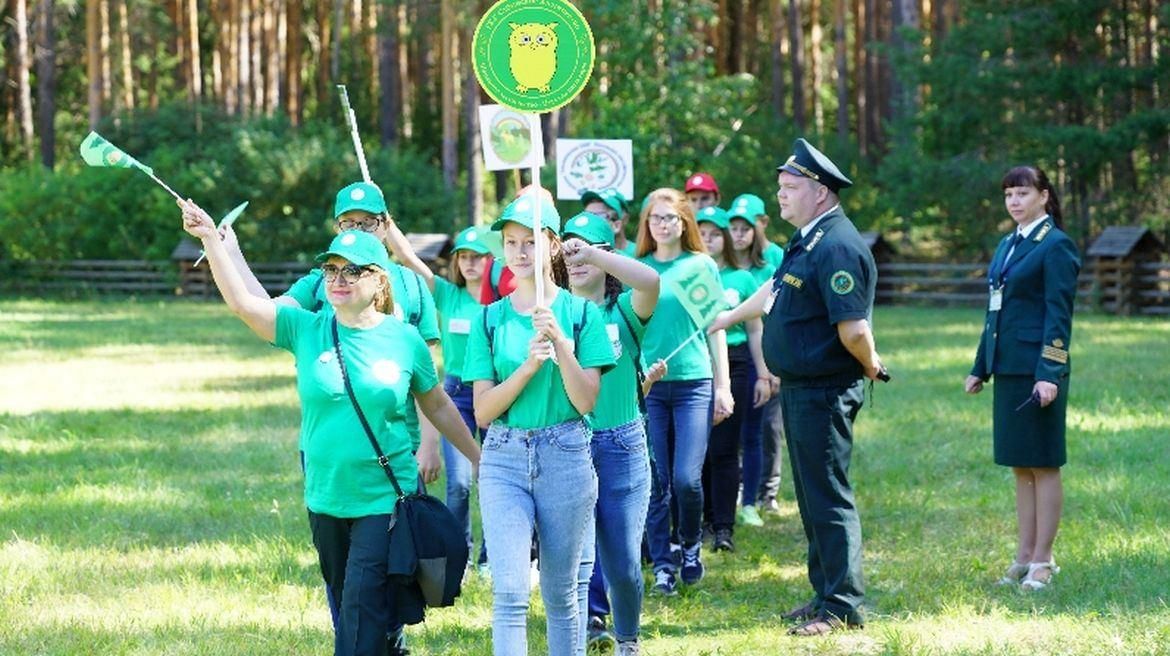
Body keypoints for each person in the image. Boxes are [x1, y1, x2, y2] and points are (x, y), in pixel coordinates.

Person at [179, 202, 482, 656]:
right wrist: (211, 242)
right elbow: (245, 305)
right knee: (351, 607)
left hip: (385, 498)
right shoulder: (306, 328)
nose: (337, 280)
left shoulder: (404, 340)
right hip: (325, 497)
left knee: (359, 617)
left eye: (351, 272)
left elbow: (437, 405)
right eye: (331, 270)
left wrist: (483, 461)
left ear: (379, 280)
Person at [710, 138, 884, 635]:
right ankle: (824, 592)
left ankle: (842, 606)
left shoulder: (837, 245)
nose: (780, 196)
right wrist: (727, 318)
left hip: (825, 390)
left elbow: (853, 328)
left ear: (822, 193)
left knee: (828, 495)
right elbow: (772, 292)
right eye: (782, 186)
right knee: (810, 495)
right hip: (803, 389)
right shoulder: (808, 238)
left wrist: (872, 364)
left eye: (790, 188)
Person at [462, 195, 617, 656]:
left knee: (562, 594)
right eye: (511, 243)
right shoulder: (488, 319)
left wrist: (562, 345)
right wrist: (529, 366)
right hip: (504, 457)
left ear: (551, 246)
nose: (520, 253)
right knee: (510, 591)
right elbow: (484, 412)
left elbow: (587, 400)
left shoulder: (583, 313)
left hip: (566, 454)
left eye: (530, 242)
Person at [965, 165, 1079, 591]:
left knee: (1044, 465)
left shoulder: (1056, 247)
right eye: (1009, 194)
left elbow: (1058, 316)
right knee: (1020, 467)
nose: (1014, 201)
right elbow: (994, 310)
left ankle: (1044, 561)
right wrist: (981, 365)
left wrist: (1049, 372)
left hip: (1038, 372)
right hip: (1009, 367)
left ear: (1044, 196)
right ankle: (1024, 555)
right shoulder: (1008, 244)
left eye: (1022, 193)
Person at [560, 211, 659, 655]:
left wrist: (595, 253)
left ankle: (628, 640)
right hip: (567, 444)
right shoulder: (554, 313)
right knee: (571, 560)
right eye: (569, 249)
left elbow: (650, 280)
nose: (576, 257)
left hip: (621, 445)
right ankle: (577, 637)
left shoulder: (625, 310)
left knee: (621, 560)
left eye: (587, 248)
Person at [379, 221, 495, 572]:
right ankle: (461, 552)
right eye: (463, 257)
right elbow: (410, 260)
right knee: (459, 484)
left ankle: (491, 555)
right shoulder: (447, 295)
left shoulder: (502, 301)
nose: (470, 264)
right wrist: (387, 223)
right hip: (457, 391)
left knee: (492, 478)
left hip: (493, 392)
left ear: (492, 261)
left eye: (479, 257)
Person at [636, 187, 733, 596]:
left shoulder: (700, 265)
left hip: (694, 383)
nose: (662, 225)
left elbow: (715, 326)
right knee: (655, 481)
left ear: (684, 223)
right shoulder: (633, 267)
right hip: (649, 389)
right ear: (646, 224)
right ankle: (662, 564)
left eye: (670, 218)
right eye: (655, 218)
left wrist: (723, 385)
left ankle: (690, 544)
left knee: (686, 480)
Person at [695, 206, 771, 553]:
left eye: (714, 233)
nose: (708, 240)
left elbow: (755, 329)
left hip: (737, 363)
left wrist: (764, 373)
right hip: (694, 364)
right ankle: (701, 521)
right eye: (702, 233)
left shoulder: (742, 279)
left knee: (725, 447)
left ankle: (723, 527)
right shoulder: (688, 277)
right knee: (698, 450)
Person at [726, 195, 783, 524]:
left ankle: (766, 492)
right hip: (734, 351)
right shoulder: (726, 264)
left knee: (767, 426)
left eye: (746, 226)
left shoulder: (774, 257)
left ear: (761, 224)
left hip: (768, 348)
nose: (739, 233)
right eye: (733, 226)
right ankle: (740, 488)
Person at [581, 188, 635, 256]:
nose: (592, 221)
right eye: (588, 216)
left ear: (625, 219)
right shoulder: (579, 256)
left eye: (600, 216)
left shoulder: (642, 256)